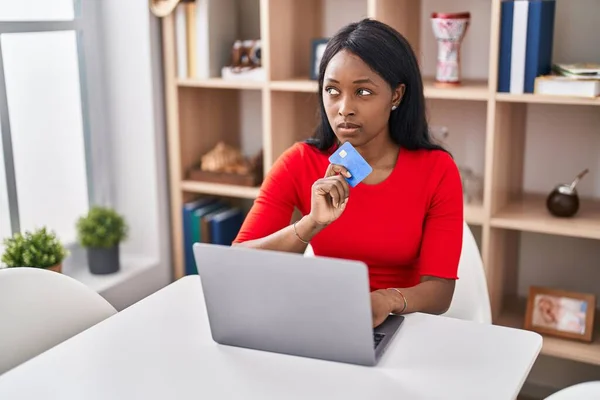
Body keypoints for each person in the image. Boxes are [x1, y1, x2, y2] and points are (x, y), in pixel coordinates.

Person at [233, 18, 464, 328]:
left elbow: (440, 292)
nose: (344, 108)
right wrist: (311, 224)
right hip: (325, 320)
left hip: (402, 324)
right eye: (332, 90)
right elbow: (238, 264)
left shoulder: (436, 170)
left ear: (396, 95)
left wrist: (388, 300)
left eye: (363, 92)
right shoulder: (300, 162)